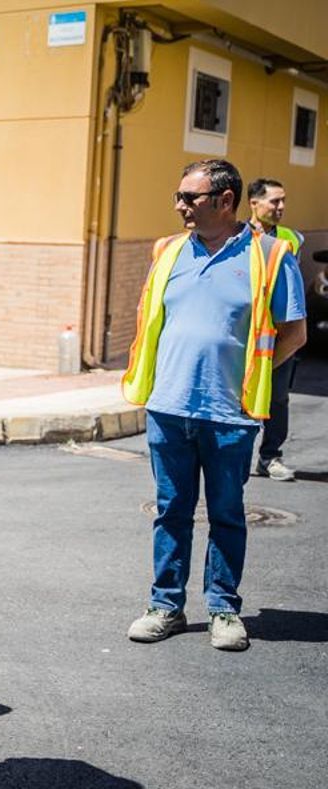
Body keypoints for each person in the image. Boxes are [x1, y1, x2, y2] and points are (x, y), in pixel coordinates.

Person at [121, 160, 307, 652]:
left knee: (226, 514)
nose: (180, 205)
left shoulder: (272, 255)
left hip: (230, 413)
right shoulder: (168, 250)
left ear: (226, 201)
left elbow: (294, 333)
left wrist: (252, 374)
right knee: (171, 512)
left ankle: (223, 608)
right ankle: (165, 605)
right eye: (178, 196)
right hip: (168, 408)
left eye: (190, 197)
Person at [247, 178, 304, 482]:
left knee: (278, 398)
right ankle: (233, 455)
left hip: (278, 335)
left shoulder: (291, 239)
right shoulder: (238, 238)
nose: (281, 207)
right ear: (253, 203)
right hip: (246, 335)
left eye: (283, 201)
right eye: (274, 201)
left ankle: (270, 457)